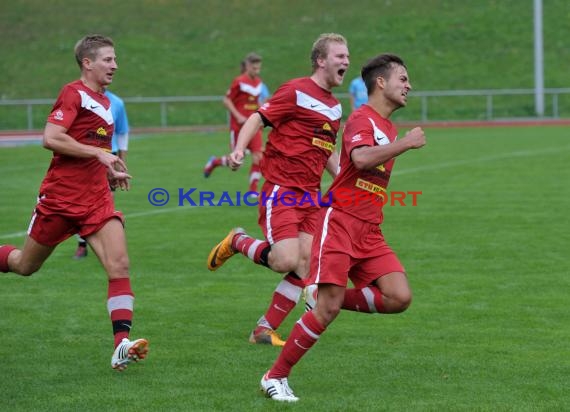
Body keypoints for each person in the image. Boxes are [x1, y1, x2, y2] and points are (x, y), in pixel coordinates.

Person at [259, 54, 427, 402]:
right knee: (328, 311)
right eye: (403, 78)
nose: (409, 85)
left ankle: (318, 296)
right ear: (381, 82)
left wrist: (399, 141)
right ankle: (275, 377)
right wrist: (406, 144)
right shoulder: (361, 119)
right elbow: (361, 158)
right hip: (338, 223)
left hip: (370, 230)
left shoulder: (388, 127)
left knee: (399, 297)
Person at [0, 34, 148, 371]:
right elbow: (51, 138)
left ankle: (120, 346)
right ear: (88, 63)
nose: (115, 65)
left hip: (96, 199)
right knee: (25, 266)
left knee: (120, 265)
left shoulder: (107, 103)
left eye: (115, 59)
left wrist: (109, 170)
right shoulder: (73, 93)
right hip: (61, 199)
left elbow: (94, 151)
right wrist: (99, 153)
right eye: (108, 59)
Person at [207, 33, 350, 347]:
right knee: (285, 260)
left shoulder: (335, 107)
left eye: (347, 56)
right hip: (282, 189)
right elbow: (257, 119)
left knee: (306, 263)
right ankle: (238, 241)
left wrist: (346, 181)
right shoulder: (296, 90)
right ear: (321, 60)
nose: (346, 62)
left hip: (312, 196)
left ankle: (264, 329)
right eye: (340, 56)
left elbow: (326, 150)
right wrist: (239, 150)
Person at [73, 88, 130, 259]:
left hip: (109, 157)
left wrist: (121, 160)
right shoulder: (79, 98)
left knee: (104, 202)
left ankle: (105, 246)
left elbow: (122, 132)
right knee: (79, 201)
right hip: (83, 157)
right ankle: (82, 244)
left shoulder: (117, 102)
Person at [203, 52, 265, 194]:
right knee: (237, 160)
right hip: (238, 126)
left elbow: (255, 101)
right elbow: (226, 100)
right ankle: (214, 162)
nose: (257, 71)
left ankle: (253, 190)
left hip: (254, 126)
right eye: (254, 68)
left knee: (258, 156)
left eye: (259, 68)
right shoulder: (239, 81)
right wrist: (238, 116)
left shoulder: (258, 82)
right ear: (248, 66)